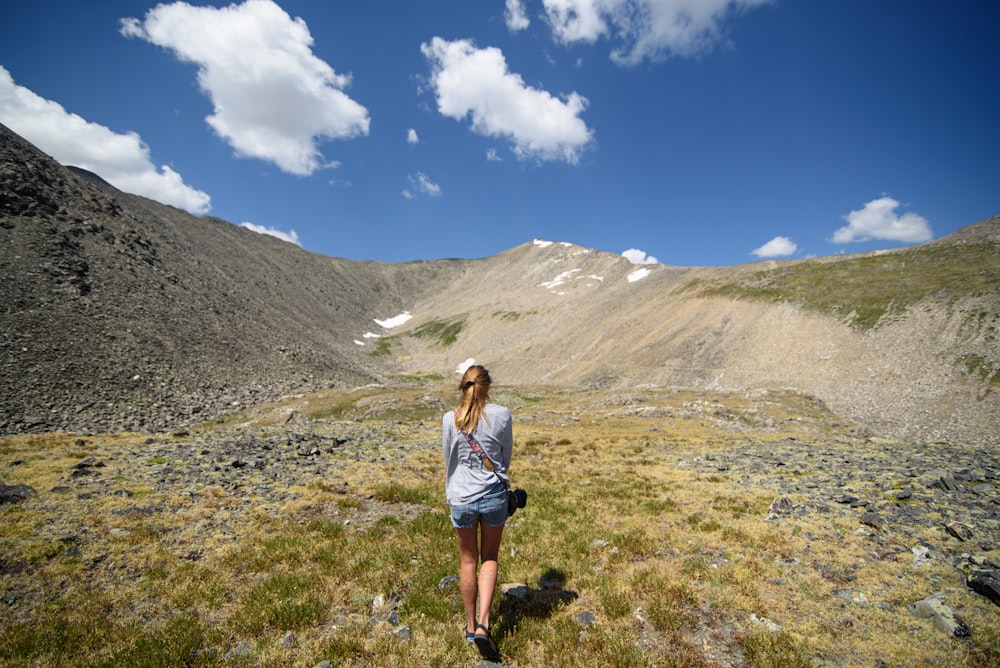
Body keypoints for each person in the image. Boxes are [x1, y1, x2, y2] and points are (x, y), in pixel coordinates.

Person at [442, 364, 512, 661]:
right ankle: (485, 623)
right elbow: (504, 458)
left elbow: (450, 459)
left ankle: (470, 628)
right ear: (488, 386)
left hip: (460, 496)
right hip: (493, 496)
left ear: (464, 386)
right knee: (490, 557)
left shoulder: (450, 418)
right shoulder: (502, 415)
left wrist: (454, 490)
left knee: (467, 560)